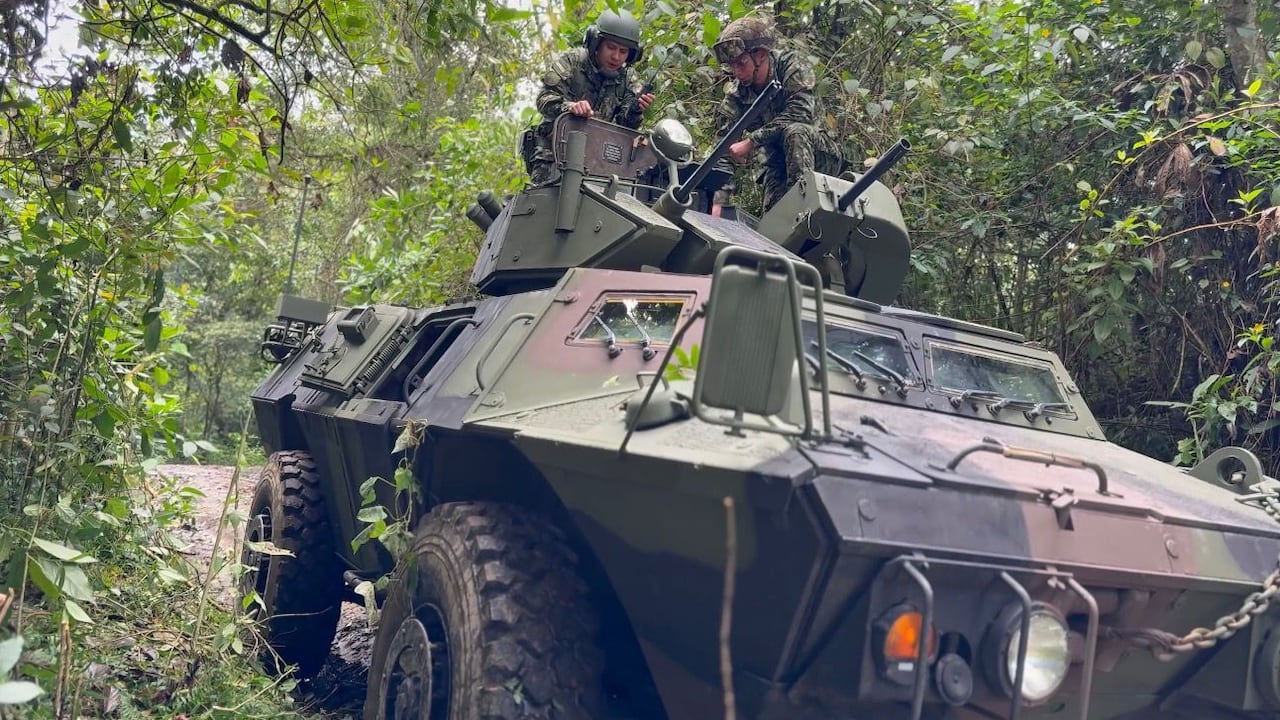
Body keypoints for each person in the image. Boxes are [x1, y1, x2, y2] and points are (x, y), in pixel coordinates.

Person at [711, 16, 844, 211]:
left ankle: (803, 208)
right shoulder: (738, 94)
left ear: (761, 55)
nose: (737, 72)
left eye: (742, 63)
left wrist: (751, 141)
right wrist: (718, 201)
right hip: (778, 164)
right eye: (732, 66)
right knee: (774, 225)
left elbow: (800, 113)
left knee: (795, 132)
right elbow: (723, 147)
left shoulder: (791, 65)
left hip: (819, 155)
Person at [523, 9, 656, 185]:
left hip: (599, 161)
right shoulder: (573, 61)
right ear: (596, 43)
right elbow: (544, 99)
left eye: (623, 51)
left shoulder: (629, 79)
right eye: (611, 47)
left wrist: (635, 110)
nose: (616, 56)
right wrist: (569, 107)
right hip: (553, 151)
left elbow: (624, 126)